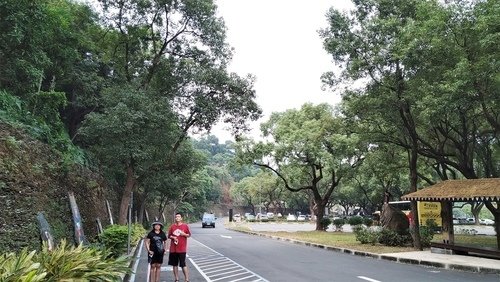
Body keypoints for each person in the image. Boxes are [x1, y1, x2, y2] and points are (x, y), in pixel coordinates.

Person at [168, 212, 191, 282]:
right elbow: (169, 236)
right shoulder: (172, 226)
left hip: (182, 249)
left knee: (183, 264)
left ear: (181, 218)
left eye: (178, 217)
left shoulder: (185, 226)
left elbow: (189, 235)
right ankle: (176, 279)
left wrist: (184, 234)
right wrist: (173, 237)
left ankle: (186, 279)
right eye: (176, 217)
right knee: (174, 265)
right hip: (173, 249)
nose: (177, 218)